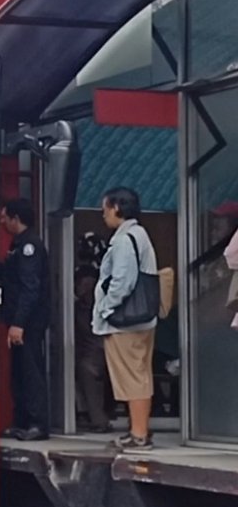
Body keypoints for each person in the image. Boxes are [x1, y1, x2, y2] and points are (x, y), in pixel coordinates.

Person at [92, 186, 158, 451]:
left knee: (132, 376)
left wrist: (106, 308)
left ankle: (139, 434)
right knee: (140, 374)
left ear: (117, 207)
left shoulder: (124, 239)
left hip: (125, 322)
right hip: (141, 320)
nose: (103, 213)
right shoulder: (139, 234)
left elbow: (122, 281)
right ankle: (138, 431)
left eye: (105, 207)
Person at [0, 198, 50, 441]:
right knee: (18, 372)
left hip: (28, 322)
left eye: (5, 217)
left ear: (15, 218)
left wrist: (19, 323)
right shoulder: (17, 244)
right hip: (16, 319)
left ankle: (37, 423)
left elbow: (30, 288)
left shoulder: (30, 246)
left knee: (30, 372)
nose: (2, 221)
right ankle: (21, 421)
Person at [74, 232, 112, 432]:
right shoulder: (77, 305)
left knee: (87, 367)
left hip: (99, 348)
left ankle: (99, 419)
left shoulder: (96, 300)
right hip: (90, 347)